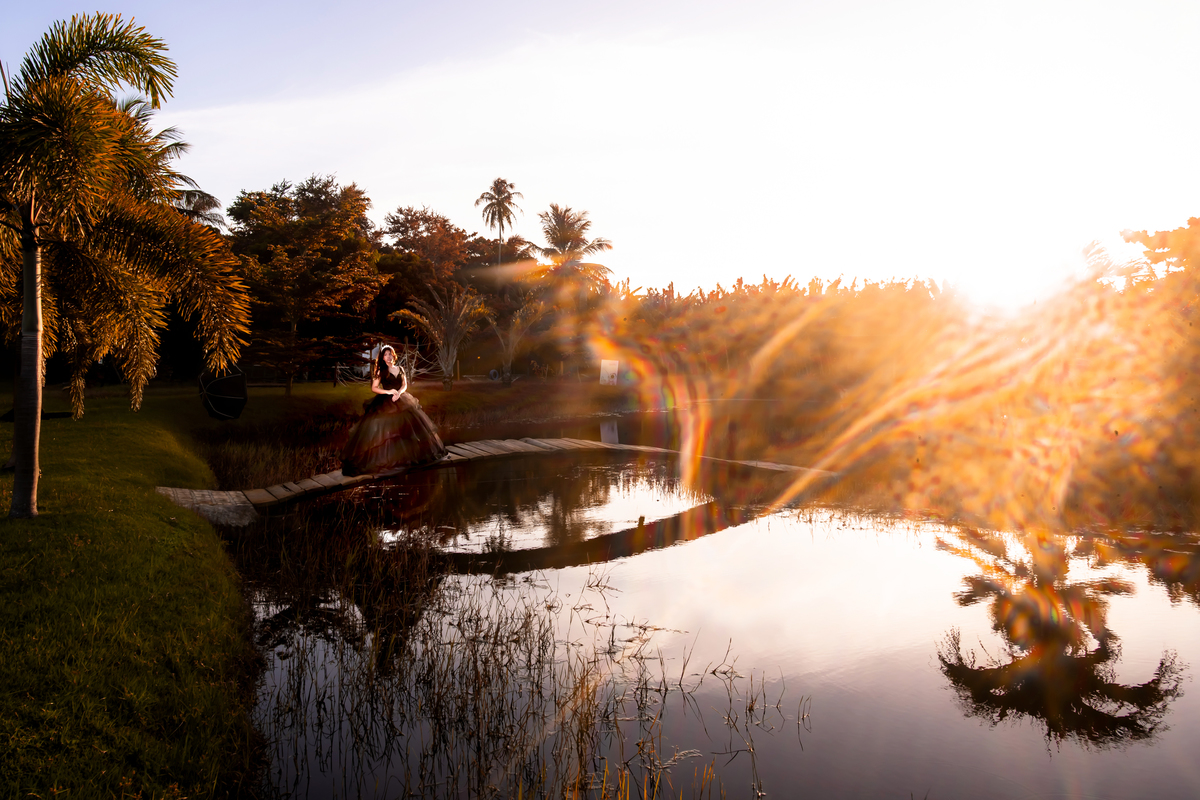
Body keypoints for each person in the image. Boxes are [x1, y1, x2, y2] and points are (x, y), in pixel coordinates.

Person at [341, 345, 447, 476]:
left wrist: (399, 393)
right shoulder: (381, 371)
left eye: (390, 354)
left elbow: (404, 385)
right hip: (386, 401)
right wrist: (389, 392)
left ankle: (408, 458)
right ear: (382, 358)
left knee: (409, 428)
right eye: (385, 355)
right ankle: (388, 460)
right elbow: (374, 388)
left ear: (393, 355)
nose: (388, 356)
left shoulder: (400, 368)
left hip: (401, 398)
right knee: (388, 432)